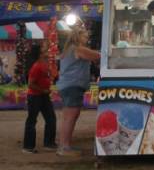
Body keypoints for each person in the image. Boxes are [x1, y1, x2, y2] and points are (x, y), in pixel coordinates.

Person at [56, 24, 100, 156]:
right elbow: (97, 56)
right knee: (70, 117)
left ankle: (64, 145)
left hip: (68, 85)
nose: (87, 38)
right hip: (73, 86)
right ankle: (65, 147)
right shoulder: (78, 49)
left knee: (68, 117)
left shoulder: (69, 49)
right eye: (85, 36)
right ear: (78, 37)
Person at [23, 44, 57, 153]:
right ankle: (28, 147)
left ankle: (49, 143)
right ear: (40, 54)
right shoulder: (36, 66)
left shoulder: (44, 64)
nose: (46, 50)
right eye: (44, 49)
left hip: (43, 95)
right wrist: (43, 90)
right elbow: (30, 84)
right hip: (35, 96)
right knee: (32, 120)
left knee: (51, 118)